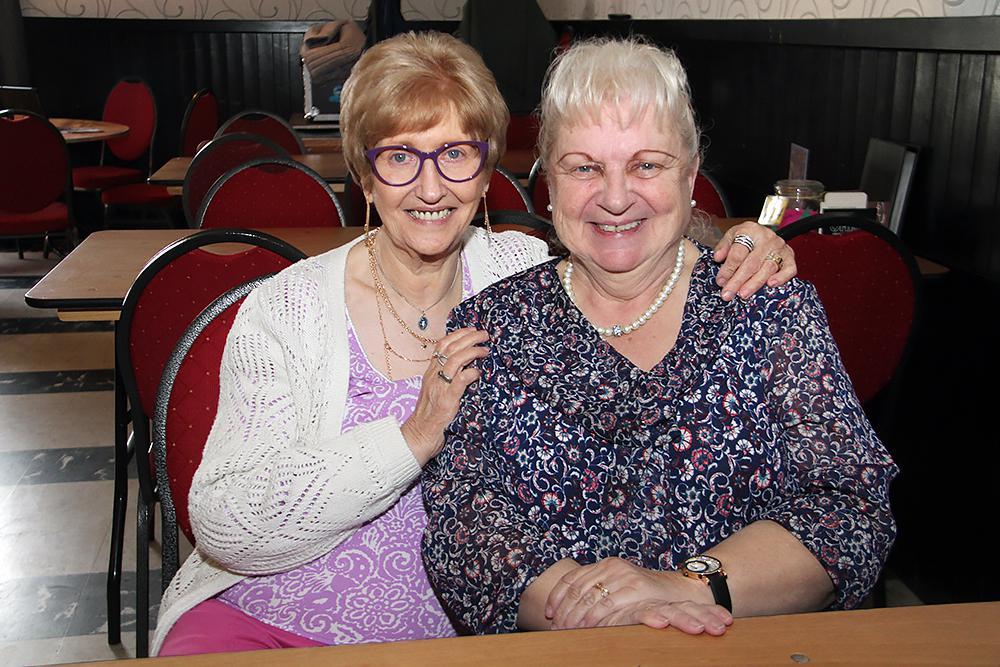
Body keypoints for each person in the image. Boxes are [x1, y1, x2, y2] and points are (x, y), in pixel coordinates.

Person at [153, 32, 795, 655]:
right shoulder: (288, 310)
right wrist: (412, 438)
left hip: (463, 636)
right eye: (399, 157)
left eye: (456, 154)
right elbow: (224, 523)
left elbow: (627, 236)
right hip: (264, 621)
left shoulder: (519, 275)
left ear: (487, 172)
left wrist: (740, 241)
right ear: (364, 176)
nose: (431, 188)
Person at [422, 36, 897, 637]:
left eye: (646, 165)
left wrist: (683, 587)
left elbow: (848, 506)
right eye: (584, 168)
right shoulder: (491, 324)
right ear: (550, 184)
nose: (616, 198)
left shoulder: (769, 308)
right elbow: (463, 521)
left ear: (690, 175)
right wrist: (603, 612)